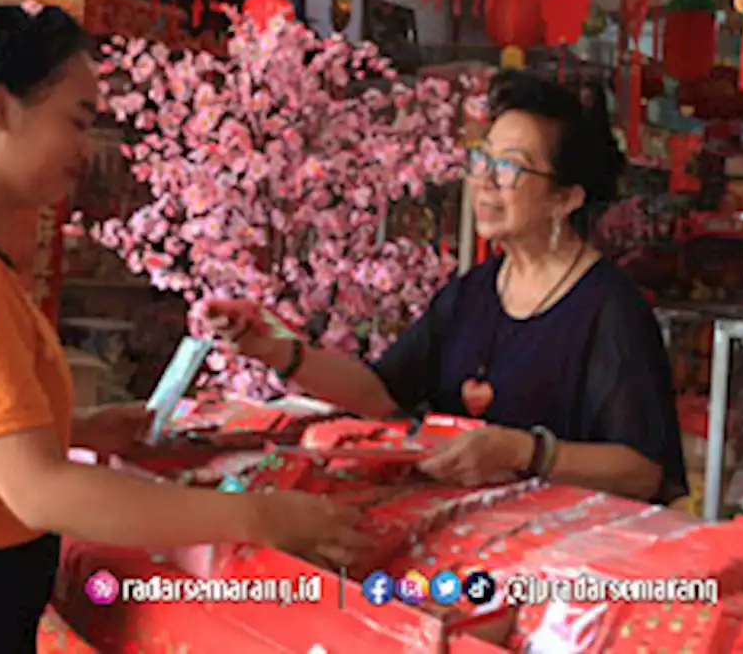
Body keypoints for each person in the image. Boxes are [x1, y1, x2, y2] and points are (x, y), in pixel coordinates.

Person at [0, 5, 365, 654]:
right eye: (76, 121)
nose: (85, 150)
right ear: (0, 109)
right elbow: (37, 490)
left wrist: (80, 431)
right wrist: (257, 517)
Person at [209, 71, 687, 504]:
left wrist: (524, 451)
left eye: (510, 168)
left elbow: (643, 472)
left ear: (564, 199)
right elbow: (380, 394)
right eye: (483, 160)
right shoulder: (473, 292)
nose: (484, 183)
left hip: (562, 557)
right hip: (465, 536)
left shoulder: (609, 308)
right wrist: (282, 353)